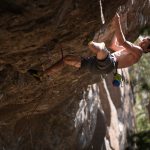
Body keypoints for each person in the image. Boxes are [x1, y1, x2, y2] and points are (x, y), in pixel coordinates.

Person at [34, 13, 150, 79]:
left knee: (102, 48)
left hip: (108, 63)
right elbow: (114, 45)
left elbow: (123, 42)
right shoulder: (132, 53)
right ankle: (42, 74)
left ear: (148, 48)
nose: (144, 39)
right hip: (99, 67)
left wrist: (117, 21)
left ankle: (89, 41)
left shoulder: (138, 51)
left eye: (148, 40)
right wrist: (116, 28)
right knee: (66, 59)